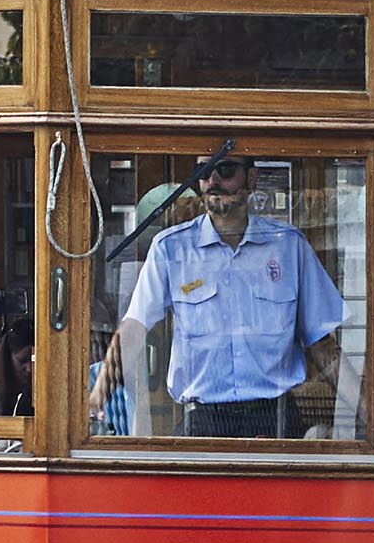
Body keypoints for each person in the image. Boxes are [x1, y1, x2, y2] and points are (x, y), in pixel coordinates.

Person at [100, 141, 349, 439]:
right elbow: (134, 327)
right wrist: (97, 397)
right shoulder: (172, 250)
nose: (213, 181)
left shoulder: (288, 248)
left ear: (251, 178)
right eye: (204, 172)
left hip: (275, 420)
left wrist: (368, 418)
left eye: (225, 170)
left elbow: (322, 344)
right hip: (205, 420)